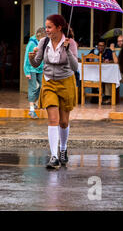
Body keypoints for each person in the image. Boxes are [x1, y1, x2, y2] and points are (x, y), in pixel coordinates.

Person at [29, 14, 78, 170]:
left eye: (49, 27)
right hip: (49, 82)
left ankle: (63, 149)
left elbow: (75, 67)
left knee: (63, 122)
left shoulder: (71, 44)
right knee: (53, 119)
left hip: (66, 83)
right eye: (46, 27)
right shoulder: (43, 42)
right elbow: (37, 63)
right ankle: (54, 156)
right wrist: (31, 58)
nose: (47, 30)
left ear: (59, 27)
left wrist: (68, 50)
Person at [24, 27, 46, 119]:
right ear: (39, 36)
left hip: (40, 68)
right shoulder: (31, 43)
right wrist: (26, 71)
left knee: (43, 86)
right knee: (33, 87)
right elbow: (26, 58)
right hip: (31, 69)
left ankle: (33, 101)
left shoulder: (41, 43)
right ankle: (31, 109)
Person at [89, 39, 114, 104]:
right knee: (94, 77)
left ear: (105, 46)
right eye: (99, 45)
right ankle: (95, 97)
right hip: (95, 73)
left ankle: (107, 98)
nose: (101, 47)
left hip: (107, 73)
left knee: (108, 78)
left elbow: (114, 61)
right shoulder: (94, 51)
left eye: (102, 46)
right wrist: (90, 59)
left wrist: (109, 61)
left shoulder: (108, 51)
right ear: (97, 46)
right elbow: (87, 59)